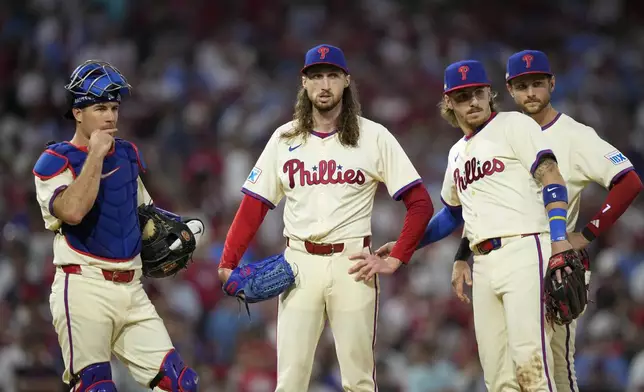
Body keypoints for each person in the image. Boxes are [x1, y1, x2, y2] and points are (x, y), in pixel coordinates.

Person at [217, 44, 433, 392]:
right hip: (298, 264)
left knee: (359, 380)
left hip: (353, 265)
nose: (324, 84)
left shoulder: (373, 136)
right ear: (304, 83)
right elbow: (253, 206)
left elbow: (421, 203)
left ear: (346, 81)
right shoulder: (284, 138)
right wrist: (227, 262)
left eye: (332, 75)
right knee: (290, 380)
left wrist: (396, 259)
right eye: (316, 76)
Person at [378, 59, 576, 391]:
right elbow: (454, 215)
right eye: (462, 96)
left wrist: (559, 240)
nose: (472, 102)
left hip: (525, 249)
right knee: (497, 377)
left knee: (531, 365)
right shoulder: (456, 153)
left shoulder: (515, 125)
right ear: (448, 103)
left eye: (478, 93)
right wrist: (404, 246)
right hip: (483, 264)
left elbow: (552, 179)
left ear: (489, 93)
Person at [32, 60, 202, 392]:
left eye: (114, 107)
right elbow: (73, 211)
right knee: (97, 387)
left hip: (132, 288)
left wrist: (182, 227)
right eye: (99, 108)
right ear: (78, 113)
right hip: (84, 287)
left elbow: (145, 211)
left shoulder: (126, 155)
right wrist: (95, 155)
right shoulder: (55, 161)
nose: (110, 116)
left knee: (181, 384)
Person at [501, 49, 642, 392]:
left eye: (537, 84)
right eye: (522, 86)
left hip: (554, 264)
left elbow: (630, 181)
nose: (530, 93)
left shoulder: (575, 135)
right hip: (508, 264)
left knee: (557, 368)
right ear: (510, 90)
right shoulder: (500, 134)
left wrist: (589, 233)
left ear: (552, 83)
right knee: (510, 368)